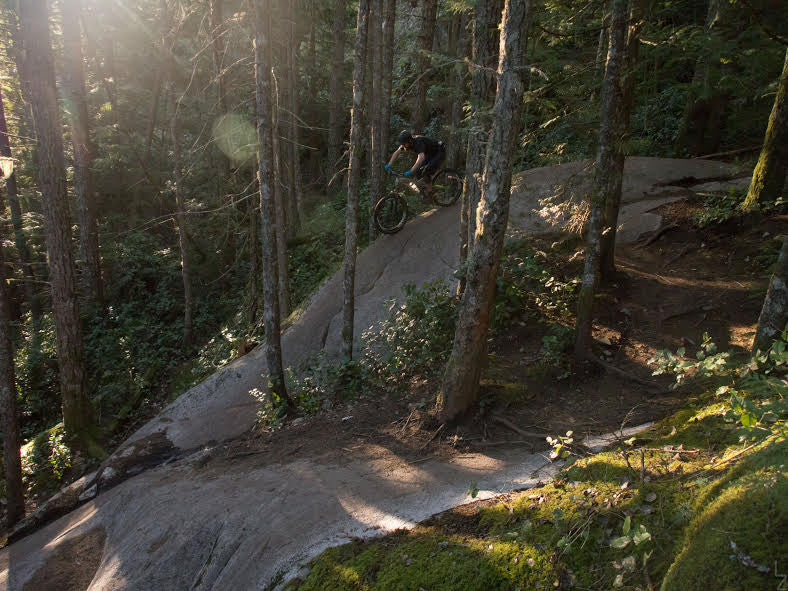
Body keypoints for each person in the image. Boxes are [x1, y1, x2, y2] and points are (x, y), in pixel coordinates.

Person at [384, 129, 445, 197]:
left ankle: (431, 192)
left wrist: (411, 171)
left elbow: (421, 157)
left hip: (438, 151)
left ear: (409, 141)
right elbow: (397, 152)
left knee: (427, 169)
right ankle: (427, 189)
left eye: (404, 144)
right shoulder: (407, 143)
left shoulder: (418, 143)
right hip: (429, 153)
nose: (402, 145)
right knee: (418, 172)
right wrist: (389, 164)